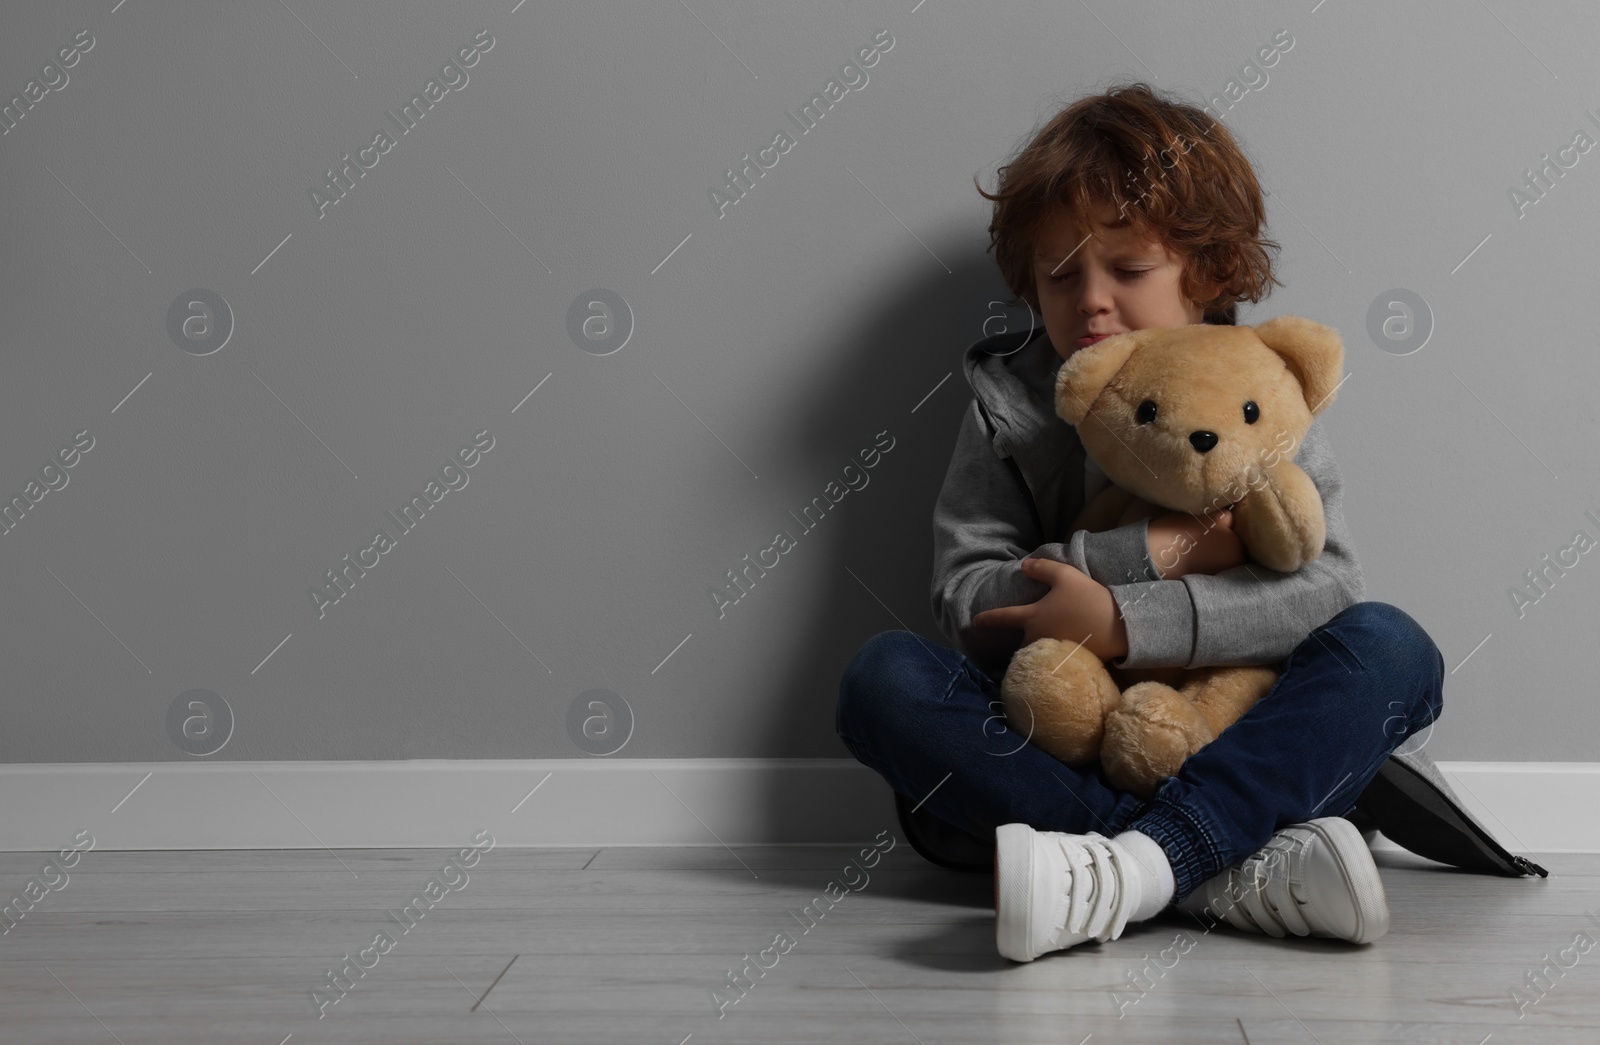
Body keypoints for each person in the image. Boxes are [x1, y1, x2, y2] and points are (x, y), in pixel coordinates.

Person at [835, 82, 1445, 962]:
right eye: (1060, 274)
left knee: (1393, 647)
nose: (1090, 301)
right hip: (1064, 742)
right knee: (881, 679)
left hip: (1239, 736)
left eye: (1128, 269)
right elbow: (967, 597)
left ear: (1209, 272)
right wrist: (1139, 562)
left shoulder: (1256, 386)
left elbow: (1328, 589)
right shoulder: (1009, 403)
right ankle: (1215, 865)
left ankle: (1125, 867)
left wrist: (1128, 625)